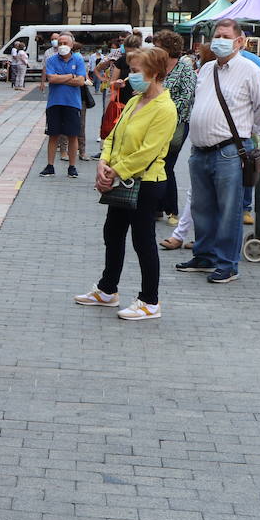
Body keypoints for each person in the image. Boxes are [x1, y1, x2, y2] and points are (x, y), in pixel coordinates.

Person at [75, 46, 177, 320]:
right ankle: (107, 289)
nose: (130, 76)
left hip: (146, 182)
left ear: (154, 73)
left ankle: (149, 301)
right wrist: (103, 162)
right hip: (122, 178)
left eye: (135, 71)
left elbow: (148, 152)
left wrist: (113, 172)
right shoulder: (135, 100)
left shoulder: (165, 108)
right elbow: (113, 135)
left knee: (143, 240)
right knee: (113, 232)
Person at [176, 20, 260, 284]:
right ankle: (204, 256)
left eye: (225, 36)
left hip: (230, 150)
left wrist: (246, 131)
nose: (218, 39)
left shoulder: (249, 70)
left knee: (230, 209)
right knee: (201, 207)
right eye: (216, 35)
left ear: (239, 41)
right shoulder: (207, 69)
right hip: (200, 149)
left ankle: (227, 264)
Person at [152, 30, 194, 224]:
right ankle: (156, 207)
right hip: (152, 123)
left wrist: (164, 111)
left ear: (169, 49)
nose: (154, 49)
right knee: (153, 164)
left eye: (158, 46)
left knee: (167, 165)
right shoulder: (154, 67)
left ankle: (172, 210)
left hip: (175, 124)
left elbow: (185, 98)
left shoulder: (184, 69)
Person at [40, 33, 87, 178]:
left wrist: (63, 78)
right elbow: (51, 79)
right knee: (53, 135)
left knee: (72, 135)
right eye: (59, 43)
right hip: (55, 102)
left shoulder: (78, 59)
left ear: (72, 45)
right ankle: (50, 166)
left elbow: (81, 81)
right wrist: (71, 76)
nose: (62, 46)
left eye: (65, 43)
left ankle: (72, 167)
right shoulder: (52, 59)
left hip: (72, 103)